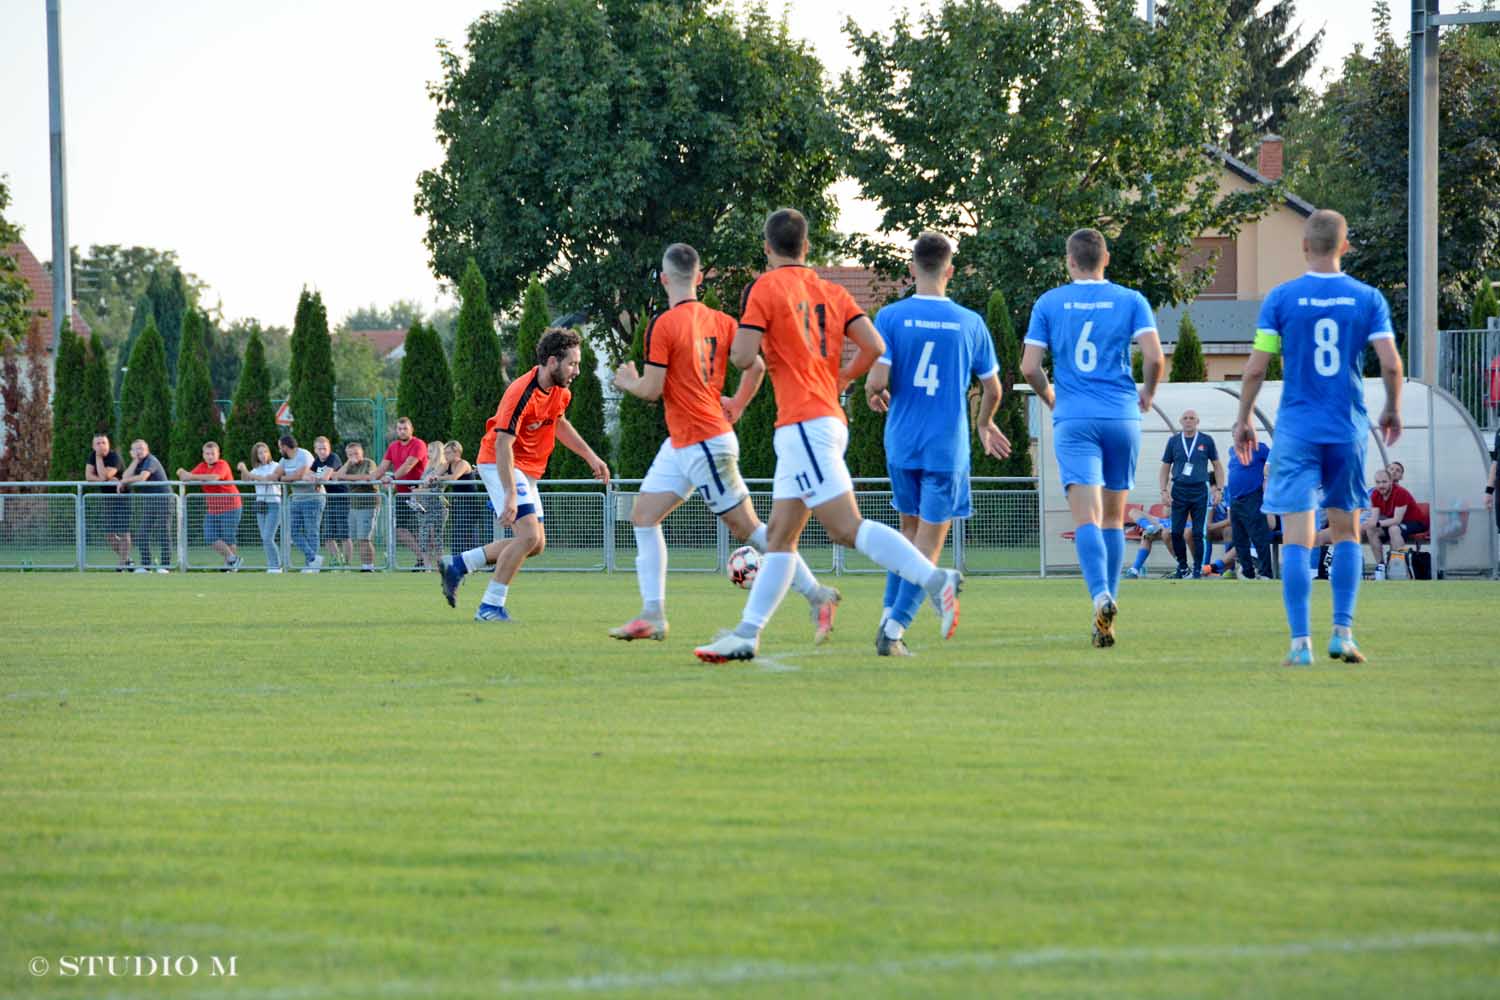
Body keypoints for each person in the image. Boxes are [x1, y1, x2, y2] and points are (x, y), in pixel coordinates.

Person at [691, 208, 964, 663]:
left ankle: (935, 579)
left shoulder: (766, 287)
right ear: (807, 247)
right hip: (817, 419)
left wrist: (752, 338)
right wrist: (840, 379)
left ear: (766, 247)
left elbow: (741, 356)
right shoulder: (831, 291)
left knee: (844, 528)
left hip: (804, 424)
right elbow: (874, 347)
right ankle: (746, 633)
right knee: (779, 538)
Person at [609, 242, 843, 645]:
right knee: (643, 516)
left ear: (664, 279)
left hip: (703, 442)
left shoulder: (663, 325)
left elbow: (651, 389)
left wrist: (627, 381)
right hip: (685, 442)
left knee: (752, 529)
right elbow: (755, 364)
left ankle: (818, 594)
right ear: (698, 278)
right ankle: (652, 614)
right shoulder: (722, 321)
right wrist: (737, 402)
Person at [1232, 209, 1403, 665]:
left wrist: (1243, 417)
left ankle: (1300, 644)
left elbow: (1256, 366)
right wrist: (1392, 407)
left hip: (1296, 431)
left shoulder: (1282, 299)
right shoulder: (1367, 298)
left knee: (1296, 538)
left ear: (1304, 247)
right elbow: (1390, 363)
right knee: (1347, 532)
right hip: (1345, 429)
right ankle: (1343, 634)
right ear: (1345, 246)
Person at [863, 232, 1010, 655]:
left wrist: (876, 395)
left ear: (912, 269)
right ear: (950, 270)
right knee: (929, 541)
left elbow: (876, 380)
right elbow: (994, 389)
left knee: (908, 536)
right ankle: (894, 631)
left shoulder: (890, 316)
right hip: (946, 446)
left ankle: (887, 615)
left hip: (902, 441)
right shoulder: (970, 323)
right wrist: (984, 424)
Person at [1021, 227, 1164, 646]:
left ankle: (1100, 595)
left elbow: (1030, 367)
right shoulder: (1131, 300)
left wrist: (1052, 399)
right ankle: (1110, 607)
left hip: (1074, 418)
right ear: (1107, 259)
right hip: (1121, 415)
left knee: (1086, 518)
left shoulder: (1049, 302)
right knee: (1115, 519)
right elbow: (1155, 357)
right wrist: (1149, 393)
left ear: (1069, 261)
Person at [440, 328, 611, 620]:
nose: (577, 371)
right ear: (553, 362)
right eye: (572, 363)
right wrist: (508, 493)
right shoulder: (522, 392)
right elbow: (504, 443)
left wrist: (590, 456)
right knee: (528, 535)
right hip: (500, 462)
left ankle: (458, 564)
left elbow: (559, 424)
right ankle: (490, 607)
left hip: (526, 469)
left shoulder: (560, 392)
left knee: (535, 544)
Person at [1158, 409, 1225, 579]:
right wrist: (1164, 490)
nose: (1188, 421)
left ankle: (1197, 568)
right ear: (1181, 421)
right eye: (1185, 418)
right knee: (1175, 532)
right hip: (1179, 489)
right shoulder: (1173, 441)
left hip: (1200, 490)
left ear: (1197, 421)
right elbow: (1165, 467)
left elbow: (1217, 466)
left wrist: (1219, 489)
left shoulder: (1206, 440)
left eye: (1192, 418)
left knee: (1197, 533)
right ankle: (1182, 566)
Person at [178, 440, 242, 570]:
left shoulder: (222, 464)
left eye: (212, 453)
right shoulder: (202, 466)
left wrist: (191, 476)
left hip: (231, 506)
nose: (210, 456)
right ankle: (233, 559)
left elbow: (214, 477)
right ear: (203, 454)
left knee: (228, 537)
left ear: (218, 454)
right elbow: (185, 476)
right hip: (213, 508)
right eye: (207, 453)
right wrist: (181, 472)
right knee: (209, 536)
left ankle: (230, 566)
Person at [373, 417, 428, 567]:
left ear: (411, 429)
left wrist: (392, 478)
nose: (402, 431)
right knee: (401, 530)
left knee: (421, 531)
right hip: (401, 495)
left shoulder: (418, 444)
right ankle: (422, 559)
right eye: (399, 429)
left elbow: (408, 465)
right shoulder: (393, 446)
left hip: (418, 494)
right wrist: (370, 480)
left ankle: (427, 562)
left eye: (405, 429)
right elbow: (382, 467)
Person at [118, 439, 172, 572]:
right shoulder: (137, 462)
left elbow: (143, 477)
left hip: (164, 498)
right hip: (150, 500)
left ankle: (166, 566)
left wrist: (124, 481)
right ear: (131, 452)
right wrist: (134, 462)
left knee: (163, 531)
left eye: (141, 448)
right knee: (142, 533)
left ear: (147, 450)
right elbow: (125, 475)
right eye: (136, 449)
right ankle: (146, 565)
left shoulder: (151, 460)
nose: (139, 451)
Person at [1364, 465, 1425, 577]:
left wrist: (1376, 523)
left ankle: (1397, 567)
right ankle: (1381, 567)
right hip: (1394, 523)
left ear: (1391, 482)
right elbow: (1374, 518)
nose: (1381, 485)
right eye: (1378, 482)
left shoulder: (1401, 493)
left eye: (1384, 482)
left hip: (1416, 522)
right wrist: (1367, 525)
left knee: (1394, 529)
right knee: (1371, 530)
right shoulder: (1375, 494)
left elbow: (1397, 520)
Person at [1226, 437, 1274, 579]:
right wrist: (1229, 504)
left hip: (1253, 497)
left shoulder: (1260, 448)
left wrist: (1267, 481)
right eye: (1235, 435)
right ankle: (1248, 573)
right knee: (1239, 539)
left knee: (1259, 536)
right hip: (1235, 500)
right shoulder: (1232, 450)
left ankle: (1266, 573)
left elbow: (1274, 461)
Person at [331, 439, 379, 571]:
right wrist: (347, 464)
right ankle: (365, 565)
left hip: (368, 504)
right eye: (350, 454)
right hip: (353, 506)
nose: (354, 457)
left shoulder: (369, 463)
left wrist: (346, 478)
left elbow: (367, 477)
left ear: (362, 452)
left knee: (365, 538)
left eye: (356, 453)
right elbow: (336, 477)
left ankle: (368, 567)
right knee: (358, 538)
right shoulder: (349, 465)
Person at [432, 441, 486, 557]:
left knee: (469, 534)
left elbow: (454, 478)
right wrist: (431, 478)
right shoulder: (447, 464)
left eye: (448, 453)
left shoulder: (464, 464)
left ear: (457, 452)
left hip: (470, 504)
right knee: (457, 533)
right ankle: (457, 560)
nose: (445, 456)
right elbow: (435, 475)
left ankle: (475, 561)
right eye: (444, 453)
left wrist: (438, 478)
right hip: (458, 503)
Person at [84, 433, 130, 570]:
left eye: (103, 442)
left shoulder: (114, 457)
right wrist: (104, 479)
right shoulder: (92, 456)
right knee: (109, 535)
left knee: (123, 532)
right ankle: (128, 560)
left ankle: (121, 565)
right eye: (97, 443)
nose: (101, 446)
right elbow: (88, 476)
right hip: (108, 498)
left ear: (108, 444)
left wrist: (104, 474)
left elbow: (105, 475)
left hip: (122, 497)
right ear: (93, 446)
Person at [277, 434, 323, 572]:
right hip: (296, 499)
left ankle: (311, 566)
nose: (279, 450)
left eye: (280, 448)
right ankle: (313, 559)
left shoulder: (304, 455)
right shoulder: (284, 460)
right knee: (293, 531)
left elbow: (299, 475)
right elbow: (276, 475)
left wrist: (284, 478)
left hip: (312, 498)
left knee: (311, 531)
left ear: (285, 447)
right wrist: (285, 478)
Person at [238, 442, 284, 573]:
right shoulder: (256, 469)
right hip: (260, 505)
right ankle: (271, 565)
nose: (263, 455)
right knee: (264, 537)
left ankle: (276, 565)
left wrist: (247, 471)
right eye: (260, 453)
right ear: (256, 456)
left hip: (274, 504)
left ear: (269, 453)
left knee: (268, 537)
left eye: (265, 452)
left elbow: (265, 479)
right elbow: (246, 480)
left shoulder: (276, 466)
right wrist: (243, 469)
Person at [409, 440, 449, 571]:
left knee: (436, 535)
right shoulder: (427, 467)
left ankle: (440, 565)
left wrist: (419, 489)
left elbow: (431, 485)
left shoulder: (442, 465)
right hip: (424, 506)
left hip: (437, 505)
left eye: (431, 450)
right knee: (423, 535)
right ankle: (427, 566)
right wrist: (417, 492)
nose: (428, 453)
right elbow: (423, 485)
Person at [311, 436, 350, 569]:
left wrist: (316, 479)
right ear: (315, 450)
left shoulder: (333, 457)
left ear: (329, 449)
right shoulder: (316, 461)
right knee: (327, 535)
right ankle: (336, 560)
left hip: (342, 498)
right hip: (329, 499)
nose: (322, 452)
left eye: (325, 449)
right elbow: (306, 475)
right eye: (319, 449)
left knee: (344, 534)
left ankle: (347, 564)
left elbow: (326, 477)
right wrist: (316, 479)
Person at [1122, 513, 1178, 579]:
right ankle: (1134, 571)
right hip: (1162, 522)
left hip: (1176, 523)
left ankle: (1183, 567)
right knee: (1133, 512)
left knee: (1153, 534)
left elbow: (1168, 512)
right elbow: (1165, 512)